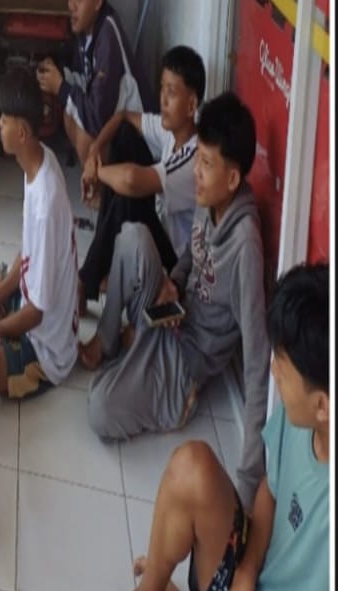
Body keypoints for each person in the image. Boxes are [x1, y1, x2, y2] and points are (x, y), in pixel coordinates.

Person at [100, 262, 329, 591]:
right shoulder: (300, 417)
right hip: (251, 582)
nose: (273, 372)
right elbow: (271, 489)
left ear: (323, 406)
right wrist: (244, 582)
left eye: (283, 369)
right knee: (191, 467)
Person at [81, 92, 270, 515]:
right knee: (132, 235)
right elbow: (189, 258)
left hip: (185, 362)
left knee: (98, 410)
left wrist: (247, 480)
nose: (196, 173)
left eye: (206, 164)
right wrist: (174, 285)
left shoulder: (245, 246)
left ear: (233, 178)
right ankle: (111, 341)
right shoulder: (211, 202)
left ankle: (169, 395)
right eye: (197, 159)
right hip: (170, 317)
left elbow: (258, 360)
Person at [0, 66, 79, 400]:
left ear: (22, 132)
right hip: (32, 299)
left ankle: (15, 352)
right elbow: (27, 252)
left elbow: (36, 313)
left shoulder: (45, 201)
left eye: (4, 119)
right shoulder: (40, 161)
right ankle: (4, 333)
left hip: (48, 344)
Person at [77, 44, 206, 313]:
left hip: (178, 266)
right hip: (159, 231)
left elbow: (131, 181)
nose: (163, 99)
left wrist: (96, 173)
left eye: (172, 92)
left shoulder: (195, 159)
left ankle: (85, 281)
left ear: (192, 105)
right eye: (162, 88)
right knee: (126, 137)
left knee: (128, 195)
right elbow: (124, 116)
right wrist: (94, 151)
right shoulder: (172, 131)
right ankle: (99, 271)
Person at [35, 0, 148, 166]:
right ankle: (97, 180)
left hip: (138, 146)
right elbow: (78, 75)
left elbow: (96, 119)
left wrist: (61, 87)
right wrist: (54, 69)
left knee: (87, 133)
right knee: (70, 113)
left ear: (97, 1)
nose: (71, 5)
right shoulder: (86, 29)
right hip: (116, 127)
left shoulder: (108, 36)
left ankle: (102, 186)